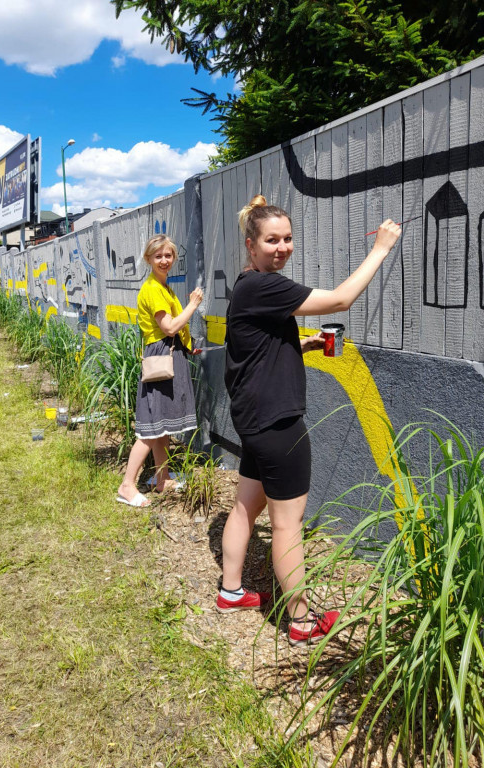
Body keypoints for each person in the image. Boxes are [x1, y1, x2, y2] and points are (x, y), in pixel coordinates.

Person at [217, 194, 401, 646]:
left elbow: (257, 351)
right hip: (278, 422)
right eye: (271, 241)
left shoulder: (248, 284)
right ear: (251, 244)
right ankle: (301, 622)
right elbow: (340, 299)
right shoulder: (266, 286)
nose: (281, 247)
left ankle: (231, 590)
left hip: (254, 418)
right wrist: (380, 247)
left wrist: (302, 346)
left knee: (247, 505)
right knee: (287, 524)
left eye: (288, 239)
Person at [117, 234, 203, 508]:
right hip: (160, 357)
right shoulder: (153, 289)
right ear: (148, 259)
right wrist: (193, 303)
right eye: (158, 256)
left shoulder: (163, 287)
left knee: (162, 426)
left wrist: (186, 347)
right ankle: (127, 485)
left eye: (168, 256)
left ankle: (162, 479)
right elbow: (168, 327)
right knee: (152, 427)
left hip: (169, 355)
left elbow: (172, 330)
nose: (164, 261)